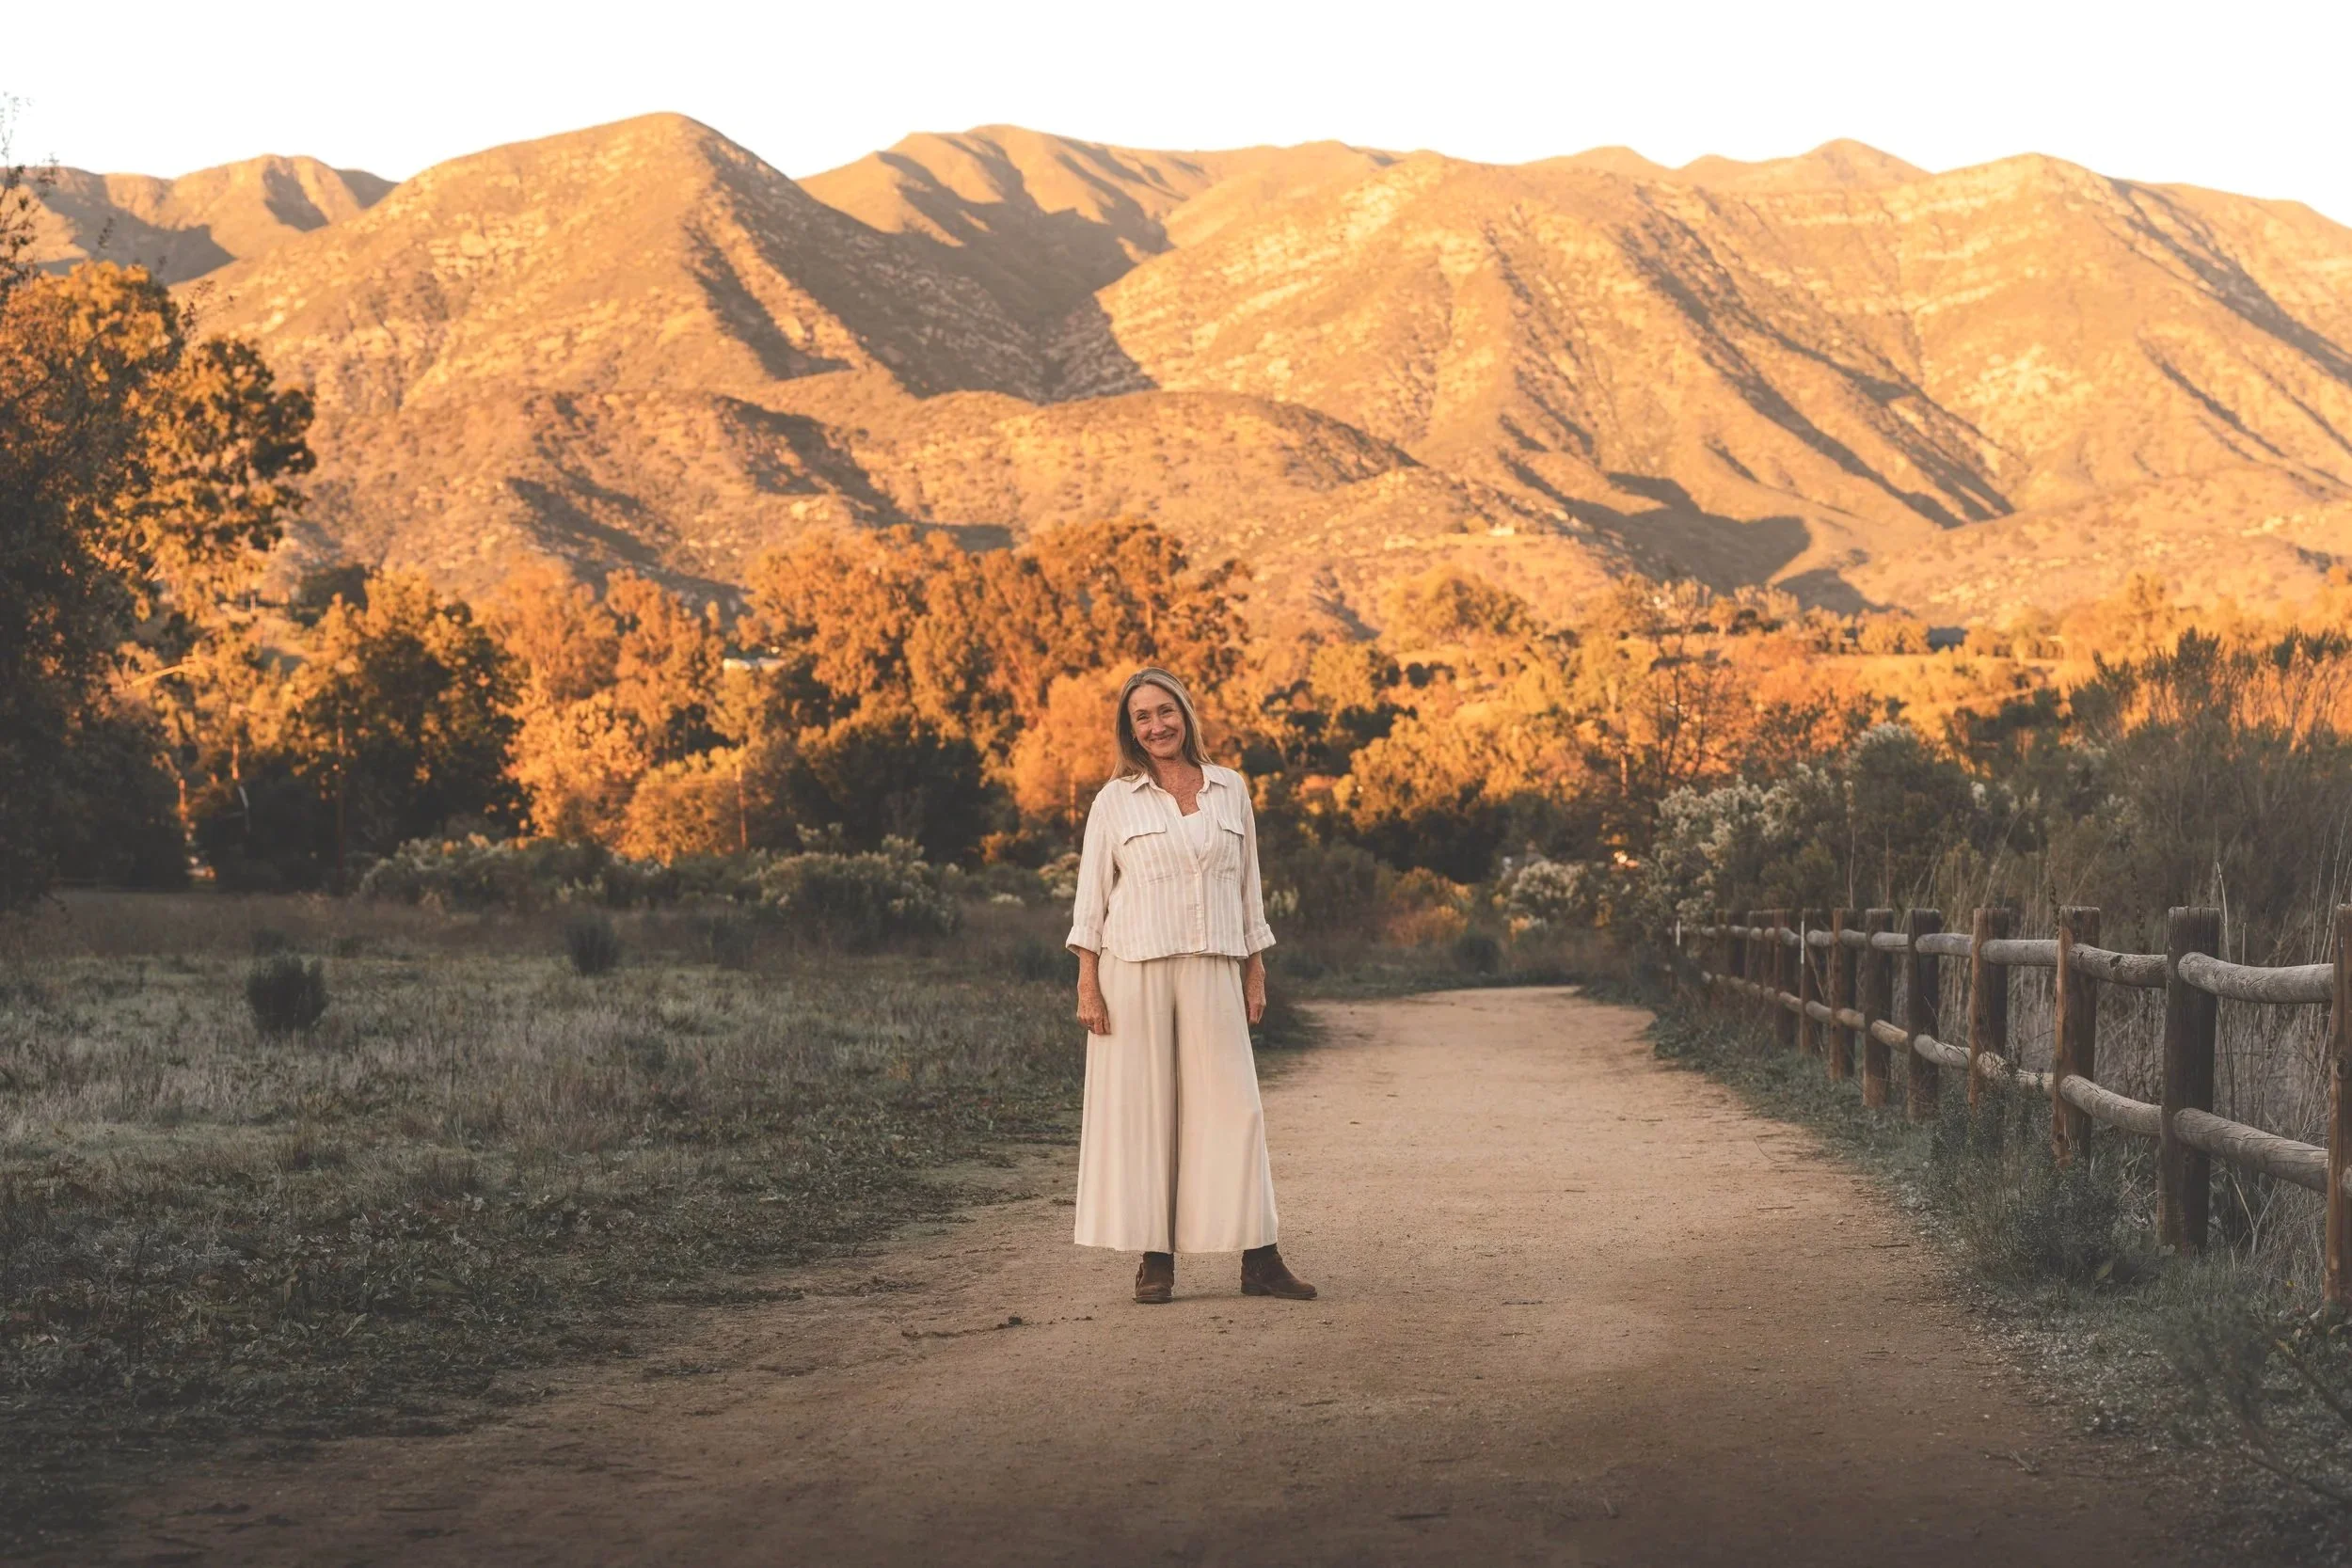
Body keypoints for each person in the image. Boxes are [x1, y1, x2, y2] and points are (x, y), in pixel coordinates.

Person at [1065, 667, 1316, 1306]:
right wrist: (1087, 981)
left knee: (1236, 1110)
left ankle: (1260, 1257)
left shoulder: (1230, 788)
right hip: (1135, 968)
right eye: (1142, 717)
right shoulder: (1115, 798)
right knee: (1150, 1115)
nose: (1156, 726)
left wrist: (1254, 967)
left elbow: (1247, 885)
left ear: (1186, 712)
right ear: (1131, 729)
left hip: (1213, 965)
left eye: (1164, 711)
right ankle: (1156, 1259)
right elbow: (1090, 898)